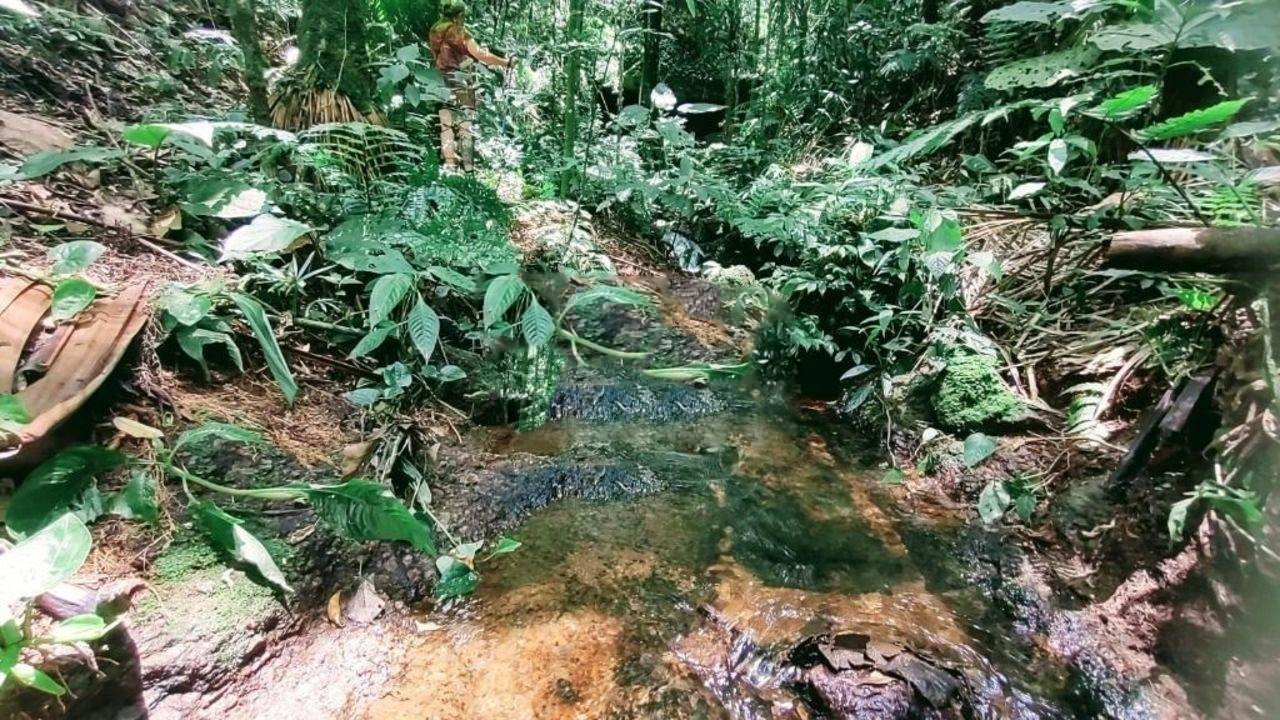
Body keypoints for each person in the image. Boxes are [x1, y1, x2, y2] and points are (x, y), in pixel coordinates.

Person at [428, 1, 512, 171]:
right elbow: (481, 55)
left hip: (438, 79)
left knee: (445, 125)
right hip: (459, 79)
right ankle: (468, 167)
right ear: (459, 16)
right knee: (465, 125)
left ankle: (449, 165)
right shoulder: (459, 31)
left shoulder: (434, 30)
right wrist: (506, 63)